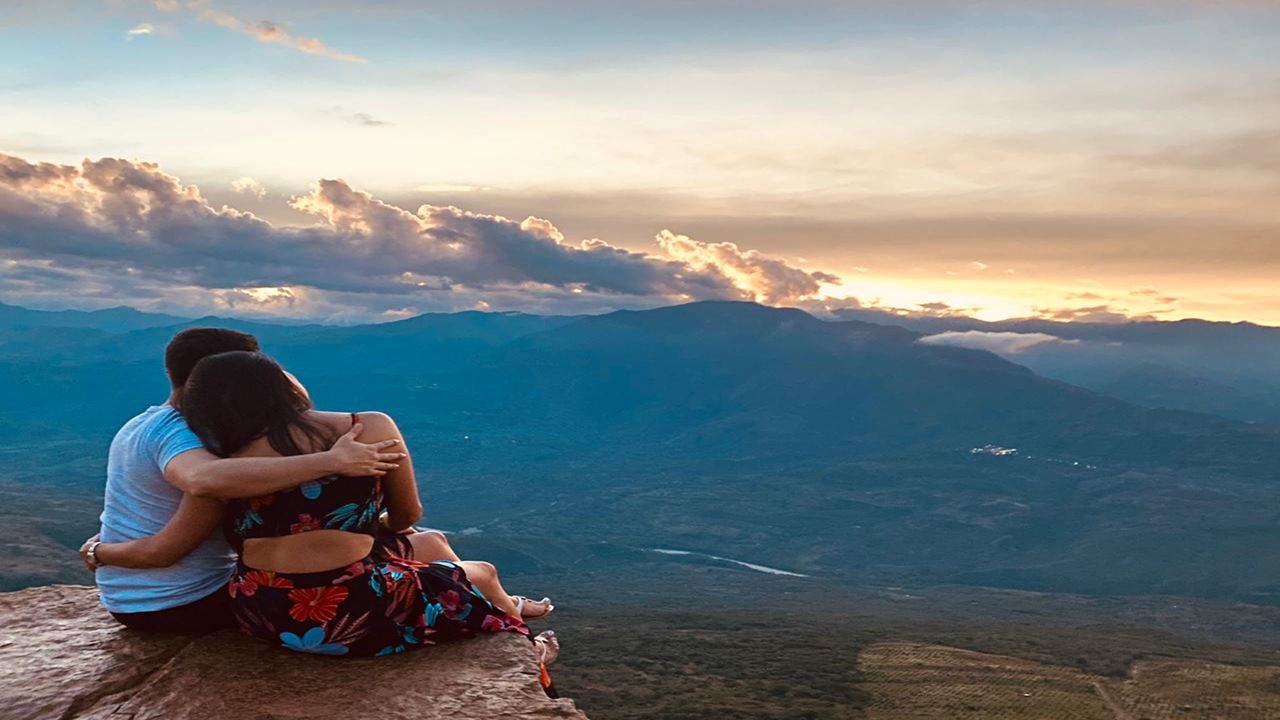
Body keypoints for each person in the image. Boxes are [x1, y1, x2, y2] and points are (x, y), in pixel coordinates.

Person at [160, 350, 557, 662]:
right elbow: (407, 517)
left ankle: (503, 615)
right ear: (282, 386)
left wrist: (101, 553)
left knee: (431, 544)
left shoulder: (223, 461)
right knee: (483, 573)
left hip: (260, 613)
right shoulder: (367, 427)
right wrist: (365, 521)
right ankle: (525, 652)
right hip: (353, 616)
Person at [79, 327, 406, 634]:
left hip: (133, 599)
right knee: (388, 552)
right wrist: (331, 461)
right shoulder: (191, 436)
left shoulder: (143, 423)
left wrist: (102, 550)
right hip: (183, 601)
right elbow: (201, 483)